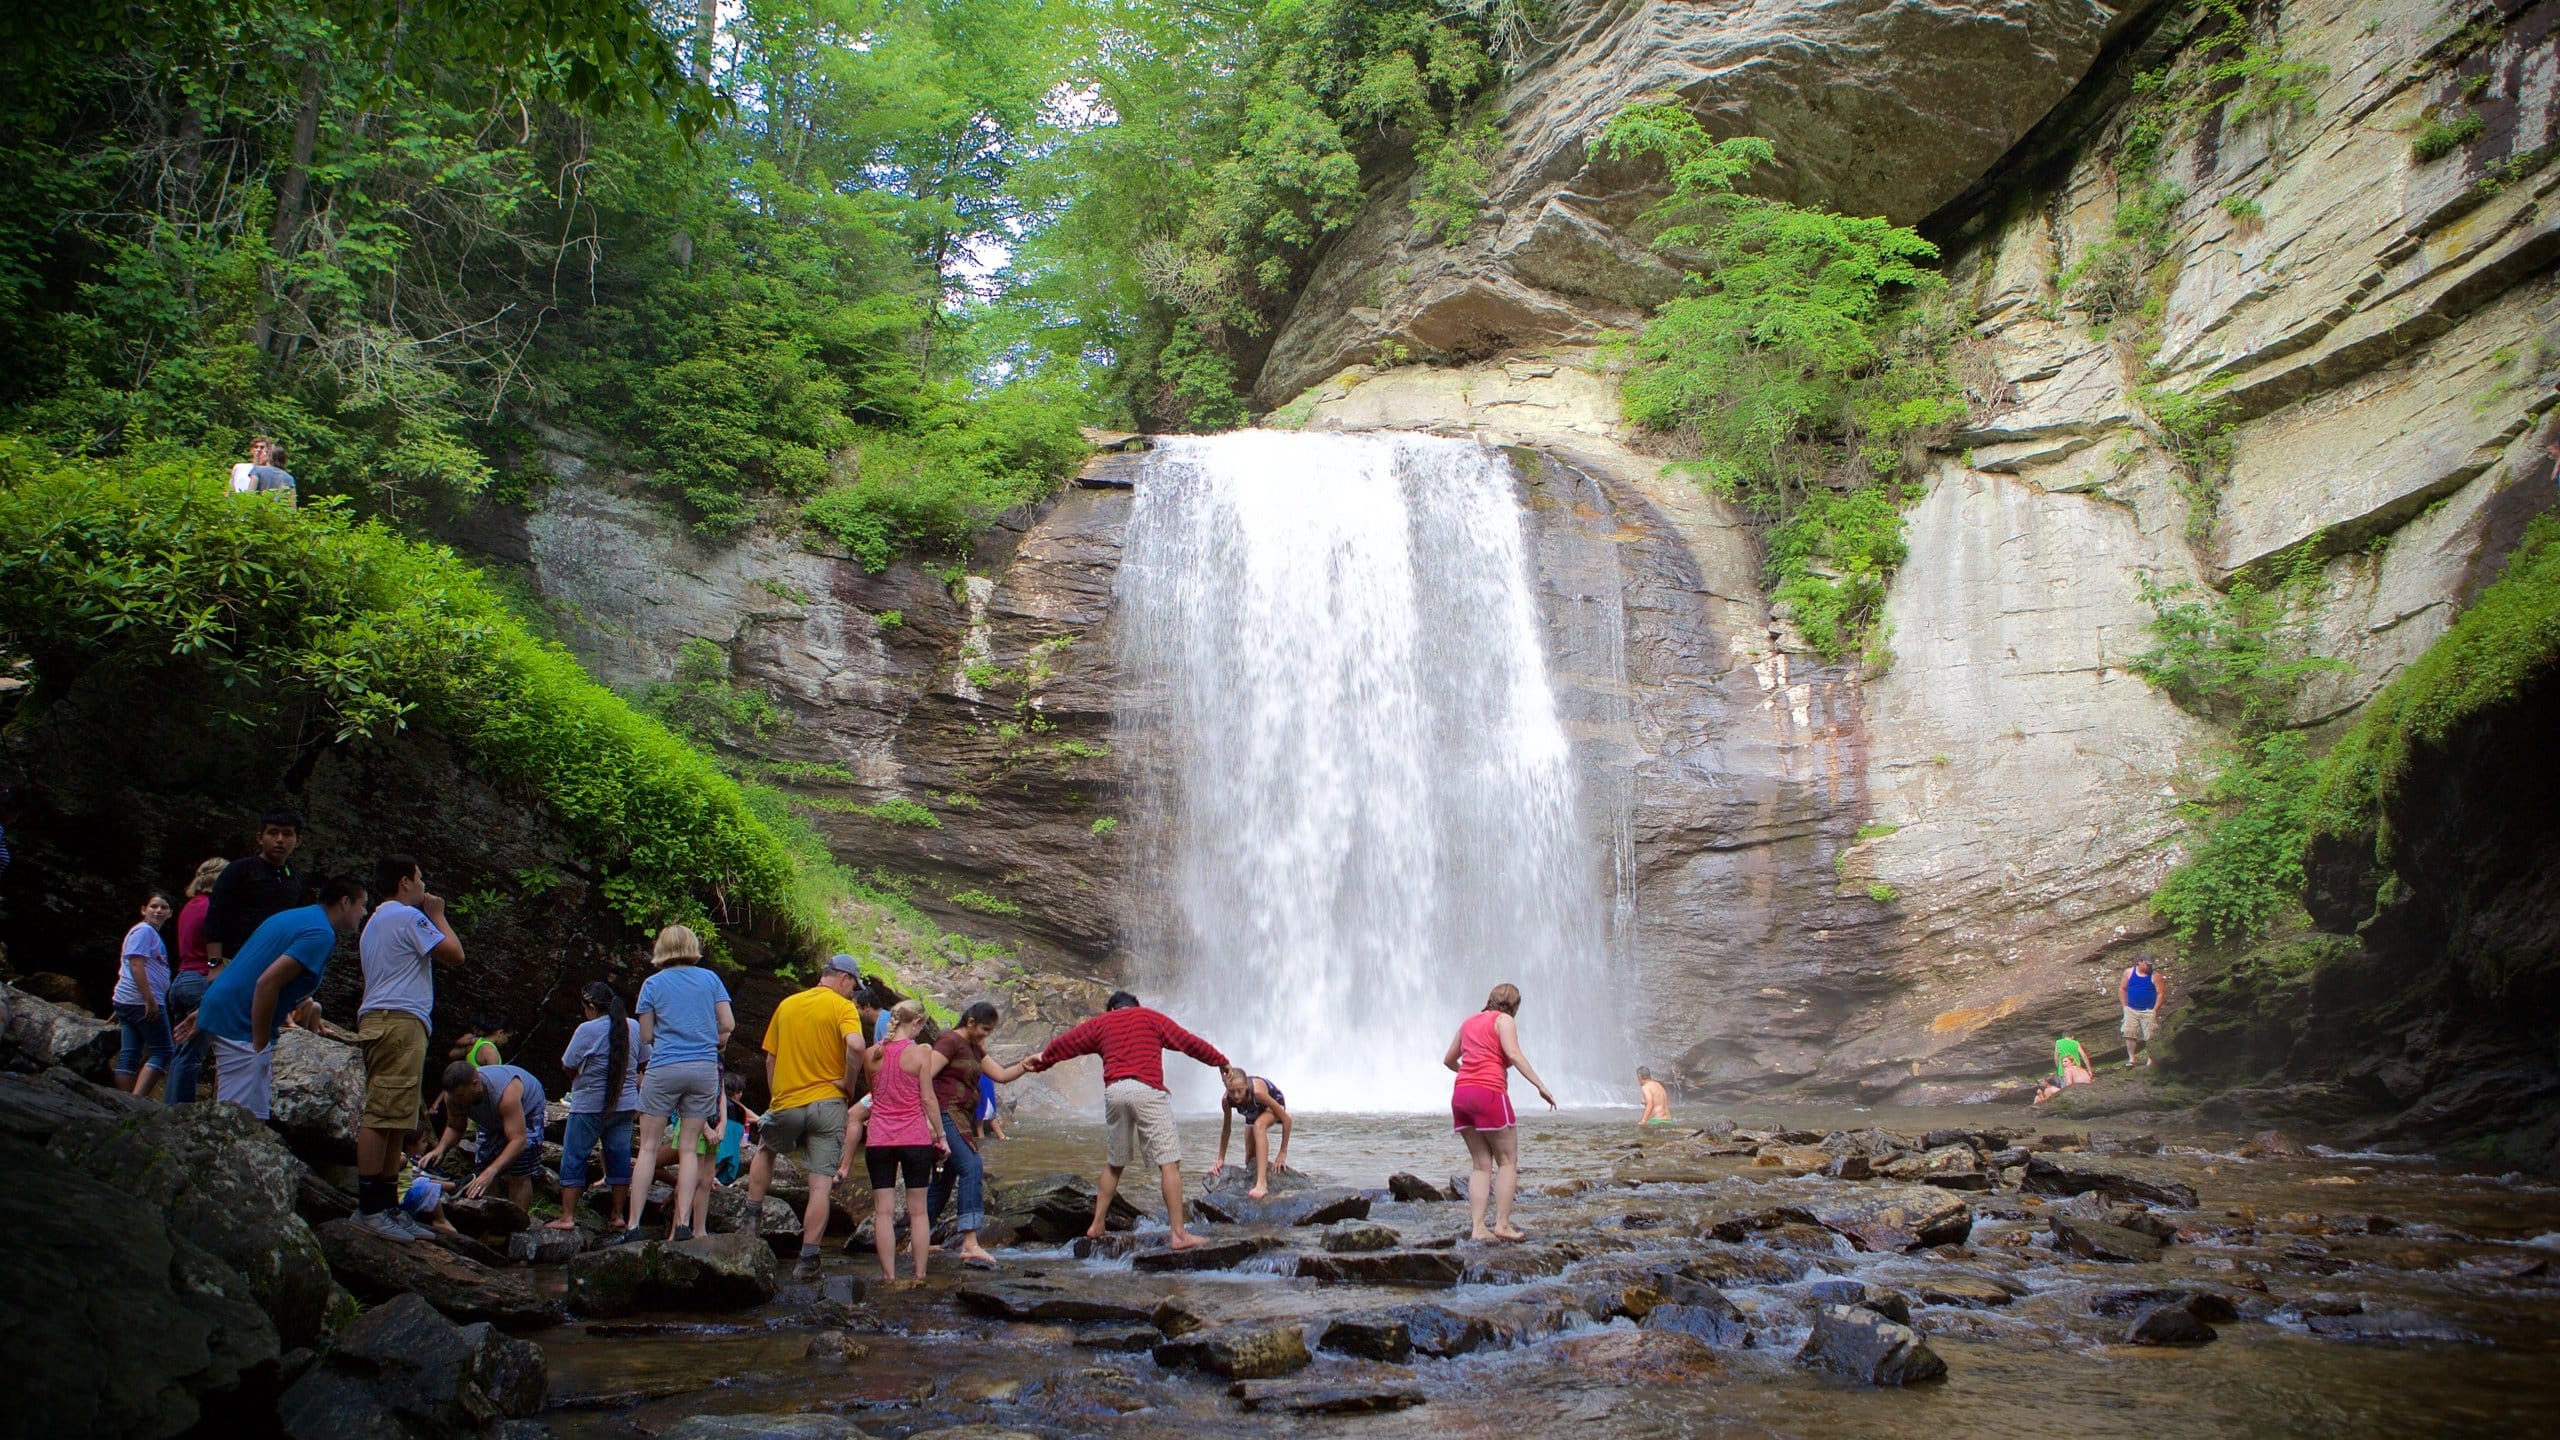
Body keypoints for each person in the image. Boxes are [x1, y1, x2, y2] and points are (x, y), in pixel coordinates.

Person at [1023, 990, 1229, 1251]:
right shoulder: (1150, 1017)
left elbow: (1068, 1043)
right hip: (1147, 1089)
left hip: (1115, 1092)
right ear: (1136, 1006)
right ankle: (1179, 1235)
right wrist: (1220, 1061)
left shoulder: (1101, 1024)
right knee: (1169, 1161)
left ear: (1111, 1010)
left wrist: (1043, 1060)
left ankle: (1097, 1225)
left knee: (1114, 1163)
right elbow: (1187, 1043)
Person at [188, 876, 368, 1118]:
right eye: (363, 904)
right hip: (241, 1024)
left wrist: (207, 1008)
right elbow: (266, 982)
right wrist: (259, 1043)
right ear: (345, 902)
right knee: (238, 1120)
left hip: (225, 1011)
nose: (364, 912)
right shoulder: (320, 933)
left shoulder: (294, 917)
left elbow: (247, 966)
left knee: (254, 1115)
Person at [352, 856, 464, 1242]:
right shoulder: (404, 916)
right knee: (382, 1112)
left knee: (398, 1116)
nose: (424, 885)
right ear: (404, 882)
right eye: (420, 878)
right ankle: (369, 1208)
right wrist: (437, 914)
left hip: (390, 1019)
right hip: (397, 1020)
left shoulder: (376, 921)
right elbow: (454, 954)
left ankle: (386, 1205)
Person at [747, 954, 868, 1280]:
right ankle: (808, 1259)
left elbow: (770, 1058)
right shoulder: (842, 1008)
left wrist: (776, 1097)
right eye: (853, 986)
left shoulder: (787, 1005)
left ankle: (750, 1221)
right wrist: (848, 1083)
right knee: (819, 1185)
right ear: (844, 979)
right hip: (828, 1104)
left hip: (788, 1100)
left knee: (766, 1149)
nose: (853, 994)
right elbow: (856, 1046)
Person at [619, 924, 734, 1245]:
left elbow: (645, 1036)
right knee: (688, 1149)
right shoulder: (711, 979)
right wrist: (707, 1036)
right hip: (703, 1069)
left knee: (649, 1148)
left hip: (665, 1066)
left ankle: (633, 1225)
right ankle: (683, 1225)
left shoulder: (652, 984)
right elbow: (727, 1024)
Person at [1442, 982, 1558, 1244]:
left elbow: (1448, 1060)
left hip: (1461, 1095)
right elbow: (1514, 1054)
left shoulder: (1468, 1022)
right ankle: (1503, 1224)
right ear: (1514, 1005)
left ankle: (1478, 1227)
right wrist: (1540, 1085)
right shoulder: (1503, 1020)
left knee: (1481, 1165)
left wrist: (1469, 1074)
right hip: (1490, 1093)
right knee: (1507, 1162)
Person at [927, 1001, 1038, 1269]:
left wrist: (1025, 1065)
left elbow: (1000, 1075)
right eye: (984, 1029)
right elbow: (924, 1075)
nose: (986, 1035)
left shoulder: (975, 1048)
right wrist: (927, 1122)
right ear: (970, 1022)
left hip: (961, 1118)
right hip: (944, 1114)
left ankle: (916, 1239)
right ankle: (970, 1243)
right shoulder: (949, 1041)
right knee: (972, 1167)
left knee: (945, 1179)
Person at [862, 1000, 951, 1283]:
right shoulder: (920, 1054)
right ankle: (919, 1275)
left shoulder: (870, 1054)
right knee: (919, 1211)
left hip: (878, 1138)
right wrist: (941, 1135)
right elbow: (927, 1099)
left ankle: (888, 1277)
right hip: (914, 1137)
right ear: (917, 1024)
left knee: (883, 1212)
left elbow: (874, 1095)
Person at [556, 979, 647, 1232]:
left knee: (575, 1156)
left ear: (592, 1006)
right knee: (619, 1156)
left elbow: (568, 1063)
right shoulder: (634, 1027)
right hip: (625, 1104)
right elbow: (644, 1059)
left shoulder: (587, 1029)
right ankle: (617, 1216)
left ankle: (567, 1217)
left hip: (588, 1104)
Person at [426, 1060, 547, 1211]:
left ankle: (516, 1224)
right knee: (483, 1169)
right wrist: (440, 1149)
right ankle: (488, 1219)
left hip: (527, 1110)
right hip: (490, 1120)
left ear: (475, 1084)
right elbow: (455, 1127)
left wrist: (493, 1170)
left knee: (519, 1171)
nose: (458, 1102)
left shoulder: (506, 1094)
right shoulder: (453, 1097)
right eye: (454, 1097)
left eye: (461, 1096)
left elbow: (518, 1141)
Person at [202, 809, 306, 969]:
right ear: (260, 837)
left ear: (298, 841)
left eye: (287, 834)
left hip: (274, 965)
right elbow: (215, 915)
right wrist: (214, 964)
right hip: (234, 960)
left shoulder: (296, 878)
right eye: (273, 833)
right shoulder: (240, 869)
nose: (279, 840)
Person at [165, 858, 227, 1102]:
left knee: (181, 1052)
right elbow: (214, 953)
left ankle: (170, 1108)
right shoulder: (213, 909)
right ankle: (178, 1115)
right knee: (191, 1055)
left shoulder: (191, 905)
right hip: (201, 980)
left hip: (182, 979)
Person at [110, 892, 176, 1095]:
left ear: (170, 913)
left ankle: (122, 1102)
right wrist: (150, 1000)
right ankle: (136, 1101)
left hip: (129, 1000)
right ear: (143, 910)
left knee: (130, 1052)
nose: (158, 911)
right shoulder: (144, 931)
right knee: (163, 1051)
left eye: (163, 907)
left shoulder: (146, 933)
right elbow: (136, 963)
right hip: (142, 1001)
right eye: (153, 906)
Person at [1212, 1066, 1292, 1200]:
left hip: (1273, 1105)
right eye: (1232, 1091)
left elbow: (1287, 1120)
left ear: (1246, 1086)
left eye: (1240, 1091)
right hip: (1252, 1111)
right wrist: (1220, 1159)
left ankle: (1262, 1184)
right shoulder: (1226, 1100)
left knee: (1259, 1126)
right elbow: (1226, 1129)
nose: (1236, 1095)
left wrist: (1282, 1152)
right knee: (1249, 1159)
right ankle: (1255, 1180)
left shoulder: (1258, 1093)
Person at [2120, 957, 2164, 1067]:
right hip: (2131, 1009)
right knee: (2129, 1033)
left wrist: (2155, 1010)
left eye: (2151, 965)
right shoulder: (2129, 972)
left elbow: (2161, 993)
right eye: (2147, 964)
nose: (2149, 967)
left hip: (2148, 1010)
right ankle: (2131, 1058)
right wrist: (2124, 1006)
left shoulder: (2155, 976)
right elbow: (2122, 988)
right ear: (2139, 962)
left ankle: (2150, 1059)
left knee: (2150, 1035)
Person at [228, 436, 297, 502]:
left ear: (269, 453)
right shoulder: (239, 467)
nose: (259, 450)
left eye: (262, 448)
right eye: (256, 447)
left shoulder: (257, 471)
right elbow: (230, 490)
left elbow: (249, 495)